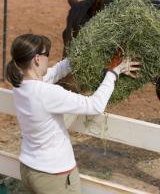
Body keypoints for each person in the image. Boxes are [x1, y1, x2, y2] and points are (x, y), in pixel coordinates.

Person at [6, 33, 140, 194]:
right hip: (54, 176)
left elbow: (55, 72)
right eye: (46, 55)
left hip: (30, 169)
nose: (48, 59)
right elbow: (94, 105)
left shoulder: (20, 83)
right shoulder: (47, 93)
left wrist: (85, 51)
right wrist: (113, 73)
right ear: (36, 59)